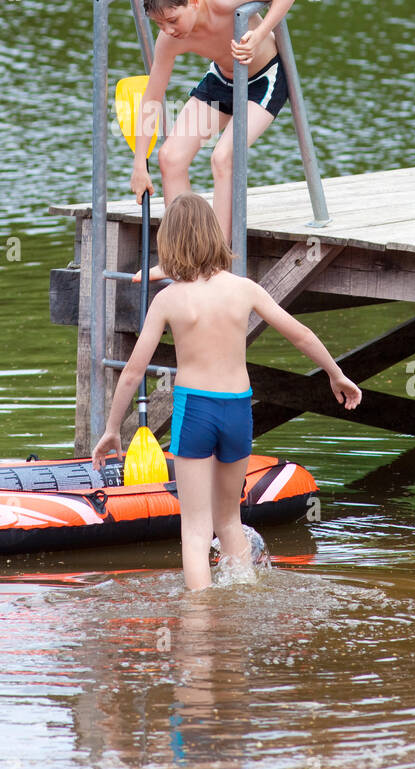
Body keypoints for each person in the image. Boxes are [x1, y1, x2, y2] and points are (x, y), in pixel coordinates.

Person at [91, 193, 362, 591]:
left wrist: (114, 428)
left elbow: (133, 372)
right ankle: (244, 598)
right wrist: (336, 374)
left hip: (195, 410)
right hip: (237, 410)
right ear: (214, 236)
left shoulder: (168, 299)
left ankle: (199, 624)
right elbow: (300, 334)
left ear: (169, 245)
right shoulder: (244, 289)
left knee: (196, 529)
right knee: (230, 520)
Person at [130, 0, 301, 277]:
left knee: (223, 157)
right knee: (170, 157)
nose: (168, 30)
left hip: (265, 80)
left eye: (172, 20)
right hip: (222, 80)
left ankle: (216, 262)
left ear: (194, 3)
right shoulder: (169, 39)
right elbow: (152, 97)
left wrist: (259, 34)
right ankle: (180, 258)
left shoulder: (222, 1)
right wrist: (140, 163)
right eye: (159, 23)